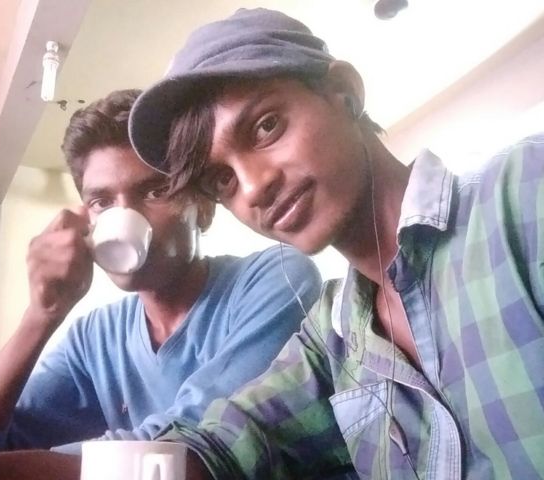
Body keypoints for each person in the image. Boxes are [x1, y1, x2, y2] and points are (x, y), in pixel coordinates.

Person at [126, 8, 544, 479]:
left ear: (344, 93)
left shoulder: (526, 193)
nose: (253, 188)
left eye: (266, 126)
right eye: (222, 179)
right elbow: (224, 445)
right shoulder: (330, 336)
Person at [0, 89, 322, 459]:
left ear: (203, 208)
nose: (125, 216)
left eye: (154, 191)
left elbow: (195, 440)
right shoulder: (94, 338)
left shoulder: (277, 276)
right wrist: (40, 317)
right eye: (102, 202)